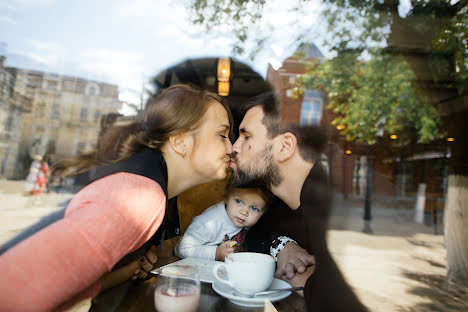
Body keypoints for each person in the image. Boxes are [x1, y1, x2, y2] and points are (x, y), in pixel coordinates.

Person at [0, 84, 233, 311]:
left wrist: (126, 268)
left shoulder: (147, 185)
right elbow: (17, 291)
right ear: (180, 141)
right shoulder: (141, 198)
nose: (231, 147)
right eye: (222, 135)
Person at [229, 93, 368, 311]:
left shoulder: (334, 215)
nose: (234, 147)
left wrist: (309, 285)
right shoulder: (278, 202)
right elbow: (256, 234)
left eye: (246, 137)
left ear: (284, 147)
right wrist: (282, 246)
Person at [174, 183, 270, 261]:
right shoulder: (210, 221)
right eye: (239, 201)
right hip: (189, 266)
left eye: (254, 208)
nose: (244, 212)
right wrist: (216, 253)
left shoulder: (245, 221)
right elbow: (182, 249)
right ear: (226, 198)